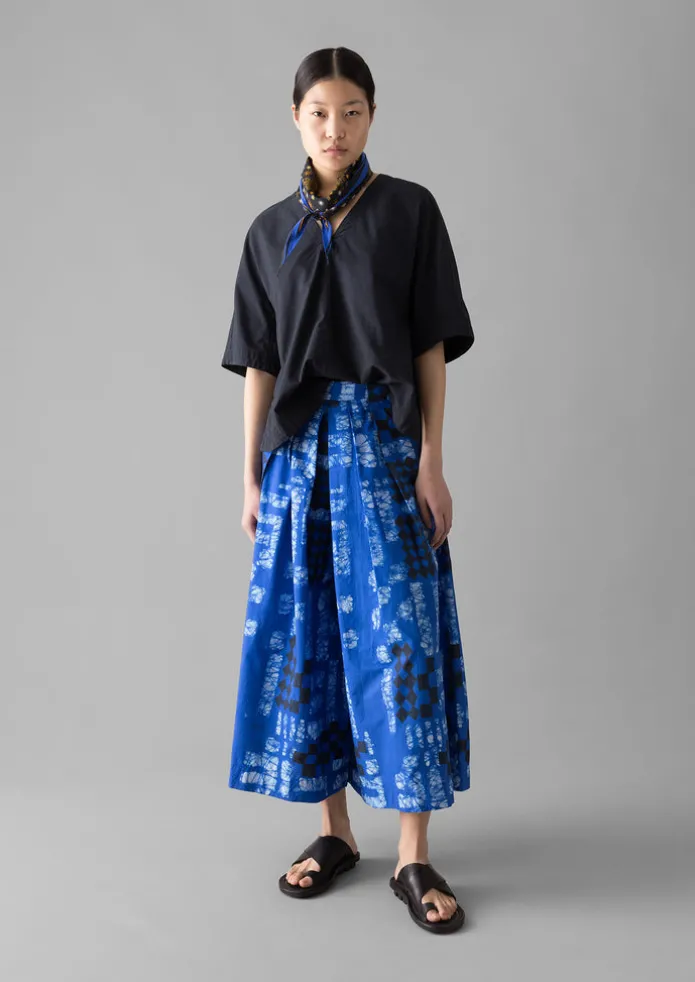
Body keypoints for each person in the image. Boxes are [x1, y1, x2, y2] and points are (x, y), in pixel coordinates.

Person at [220, 46, 475, 935]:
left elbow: (428, 345)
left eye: (352, 111)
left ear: (372, 116)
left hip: (382, 447)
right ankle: (333, 833)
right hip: (296, 459)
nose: (335, 129)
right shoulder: (268, 231)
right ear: (296, 118)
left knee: (402, 645)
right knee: (310, 638)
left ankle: (412, 853)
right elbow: (258, 360)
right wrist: (250, 472)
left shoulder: (408, 211)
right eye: (320, 113)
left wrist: (431, 458)